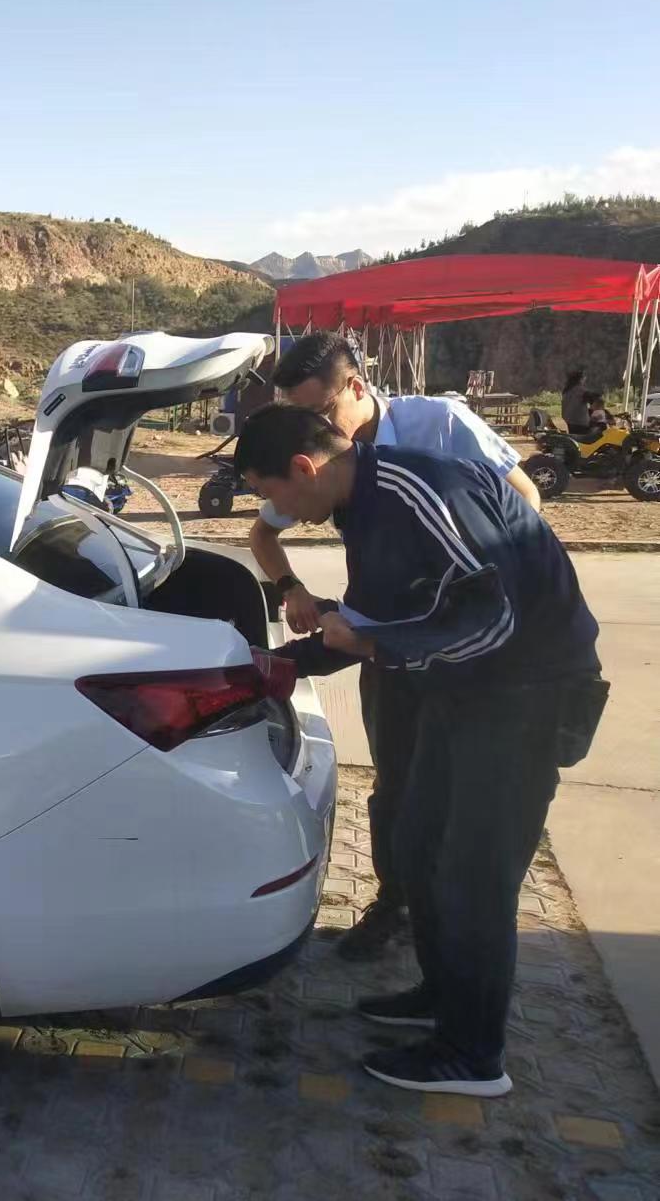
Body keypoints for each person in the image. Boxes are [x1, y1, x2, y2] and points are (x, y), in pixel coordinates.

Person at [234, 405, 601, 1096]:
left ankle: (473, 1056)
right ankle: (443, 996)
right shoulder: (361, 507)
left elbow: (493, 619)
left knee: (475, 874)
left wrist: (374, 644)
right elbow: (374, 621)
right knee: (419, 842)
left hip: (527, 690)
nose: (274, 510)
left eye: (267, 489)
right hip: (463, 688)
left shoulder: (419, 489)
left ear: (304, 468)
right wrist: (270, 667)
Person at [247, 332, 542, 961]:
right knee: (398, 783)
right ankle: (398, 904)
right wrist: (294, 593)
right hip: (387, 640)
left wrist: (458, 603)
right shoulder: (321, 463)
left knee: (463, 806)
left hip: (470, 649)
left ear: (356, 387)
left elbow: (524, 504)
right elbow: (264, 532)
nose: (316, 431)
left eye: (321, 413)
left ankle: (457, 934)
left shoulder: (438, 431)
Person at [562, 369, 592, 437]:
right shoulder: (581, 391)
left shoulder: (566, 390)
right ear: (580, 379)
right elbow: (594, 401)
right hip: (580, 423)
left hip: (568, 421)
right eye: (584, 377)